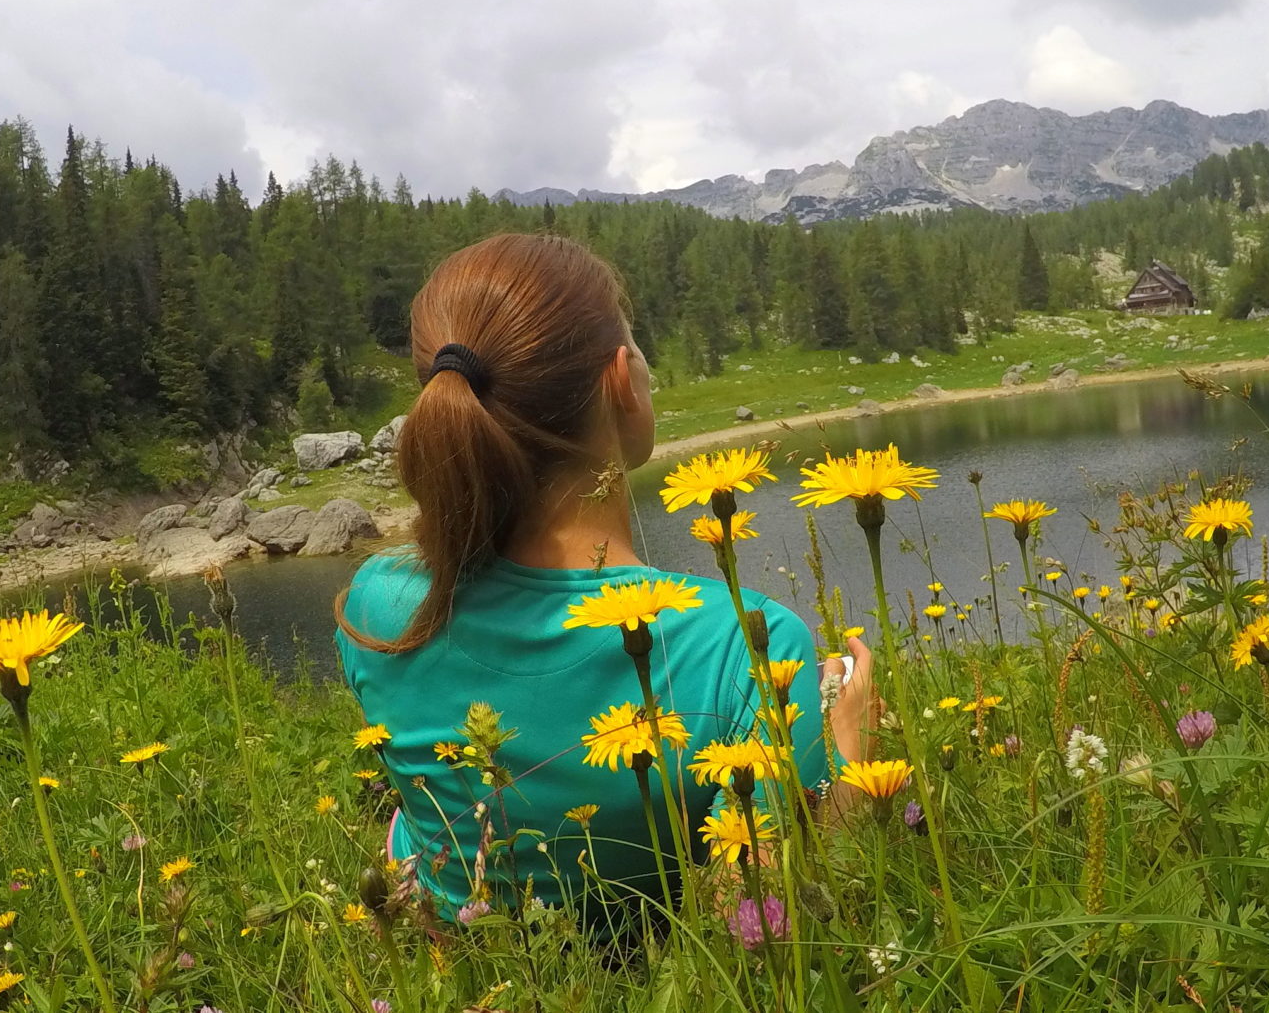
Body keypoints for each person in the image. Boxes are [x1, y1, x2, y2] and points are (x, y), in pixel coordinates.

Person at [334, 233, 876, 927]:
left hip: (453, 949)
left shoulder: (378, 600)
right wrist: (849, 756)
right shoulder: (747, 644)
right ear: (621, 378)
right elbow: (755, 910)